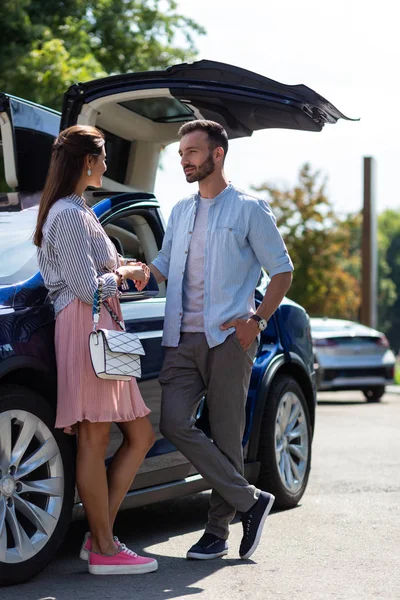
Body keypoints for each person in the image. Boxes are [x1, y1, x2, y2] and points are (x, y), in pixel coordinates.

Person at [150, 120, 293, 561]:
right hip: (182, 337)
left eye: (191, 152)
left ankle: (217, 532)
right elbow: (163, 265)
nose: (183, 160)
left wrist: (257, 319)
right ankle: (251, 502)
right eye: (180, 154)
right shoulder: (179, 211)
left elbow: (282, 271)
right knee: (173, 422)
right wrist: (136, 273)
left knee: (228, 435)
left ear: (217, 154)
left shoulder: (250, 209)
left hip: (230, 339)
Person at [34, 125, 158, 576]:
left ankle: (99, 535)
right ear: (87, 161)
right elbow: (86, 288)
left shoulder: (79, 210)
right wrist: (122, 276)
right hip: (85, 325)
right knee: (94, 436)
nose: (107, 166)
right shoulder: (66, 214)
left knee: (140, 434)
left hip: (106, 327)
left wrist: (126, 267)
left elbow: (95, 273)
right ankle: (105, 546)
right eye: (103, 157)